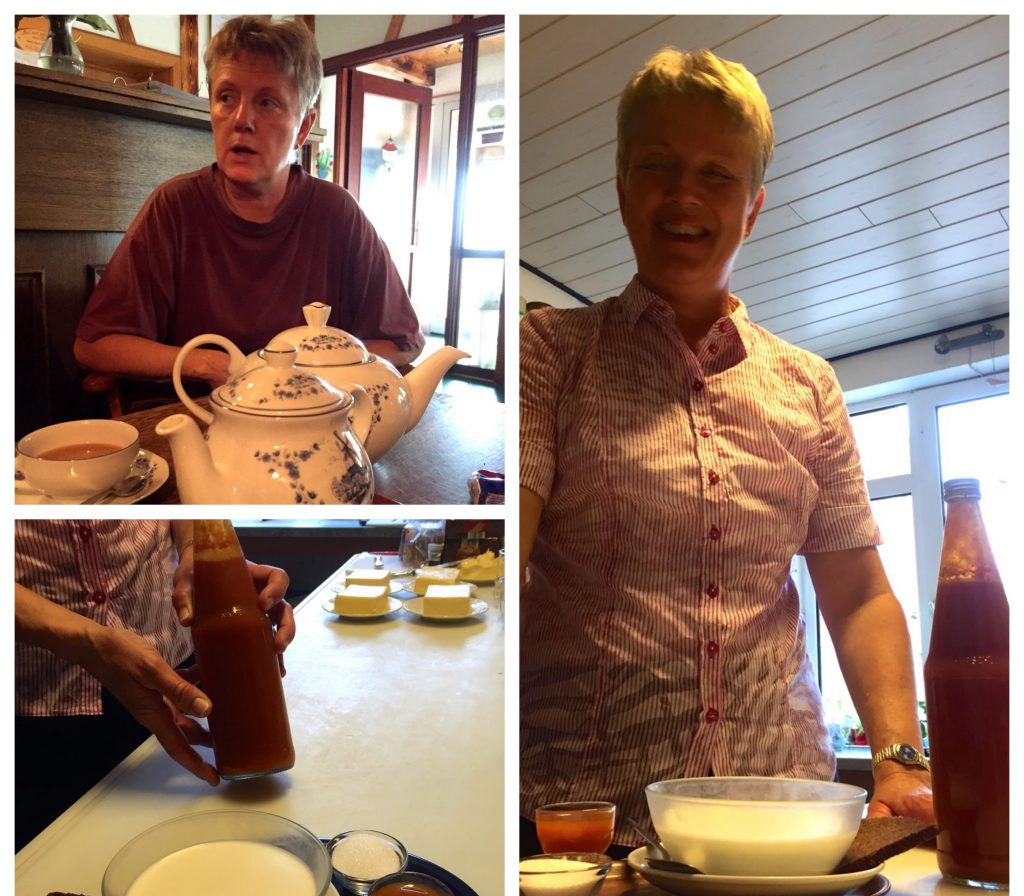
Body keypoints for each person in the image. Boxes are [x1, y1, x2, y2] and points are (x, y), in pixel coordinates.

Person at [519, 48, 934, 852]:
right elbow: (511, 550)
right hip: (587, 830)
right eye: (659, 166)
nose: (684, 194)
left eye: (717, 175)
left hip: (790, 820)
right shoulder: (551, 353)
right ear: (621, 189)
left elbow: (858, 595)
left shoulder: (809, 384)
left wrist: (899, 759)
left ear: (751, 210)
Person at [73, 15, 424, 398]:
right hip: (197, 417)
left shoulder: (337, 213)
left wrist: (297, 372)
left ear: (303, 128)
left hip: (307, 420)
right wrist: (208, 362)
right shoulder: (173, 207)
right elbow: (95, 344)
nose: (241, 120)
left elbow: (403, 342)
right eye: (226, 97)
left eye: (268, 102)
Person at [14, 520, 295, 850]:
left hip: (172, 673)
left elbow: (195, 512)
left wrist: (199, 558)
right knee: (57, 852)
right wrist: (88, 640)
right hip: (43, 700)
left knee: (207, 835)